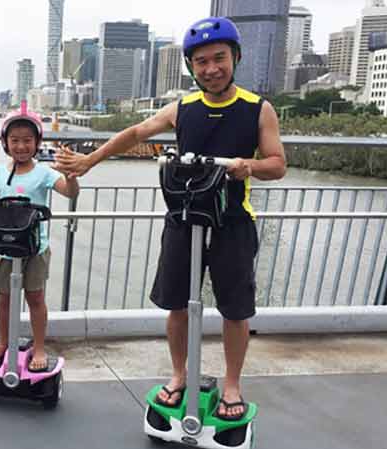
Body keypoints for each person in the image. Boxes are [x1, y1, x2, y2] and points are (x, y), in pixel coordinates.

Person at [54, 17, 286, 419]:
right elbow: (136, 133)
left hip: (232, 223)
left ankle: (232, 384)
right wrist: (89, 160)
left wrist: (249, 165)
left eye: (219, 58)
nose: (211, 69)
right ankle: (179, 376)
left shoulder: (257, 109)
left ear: (235, 58)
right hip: (184, 218)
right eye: (201, 62)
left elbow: (278, 164)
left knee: (236, 309)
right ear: (191, 66)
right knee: (176, 305)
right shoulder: (183, 108)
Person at [0, 101, 79, 372]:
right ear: (5, 143)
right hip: (6, 247)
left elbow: (70, 193)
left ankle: (40, 346)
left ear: (37, 143)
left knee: (36, 299)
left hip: (35, 248)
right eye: (15, 140)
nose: (21, 146)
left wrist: (71, 175)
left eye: (27, 141)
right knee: (4, 299)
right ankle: (2, 343)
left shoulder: (44, 172)